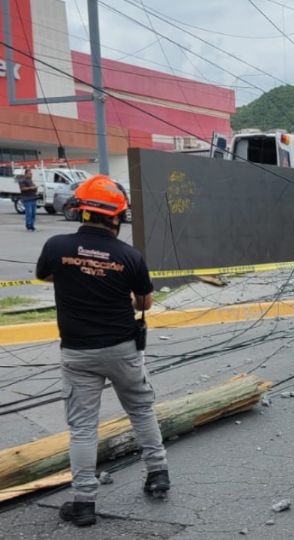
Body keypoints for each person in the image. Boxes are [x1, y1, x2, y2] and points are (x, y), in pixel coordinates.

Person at [36, 176, 169, 527]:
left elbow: (47, 276)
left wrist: (80, 275)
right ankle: (158, 475)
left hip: (78, 353)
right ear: (116, 216)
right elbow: (146, 303)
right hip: (123, 349)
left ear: (81, 211)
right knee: (141, 410)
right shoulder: (129, 256)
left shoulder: (56, 245)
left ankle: (83, 504)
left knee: (82, 428)